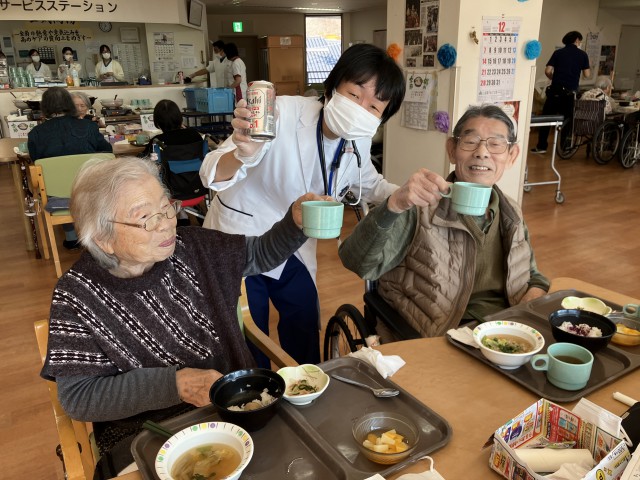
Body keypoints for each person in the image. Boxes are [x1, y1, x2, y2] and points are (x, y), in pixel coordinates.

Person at [39, 155, 321, 477]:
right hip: (147, 433)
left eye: (166, 207)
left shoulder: (194, 246)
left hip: (235, 407)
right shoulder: (77, 295)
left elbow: (259, 254)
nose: (166, 223)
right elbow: (78, 397)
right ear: (103, 239)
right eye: (146, 217)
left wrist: (294, 223)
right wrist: (175, 384)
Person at [199, 43, 406, 366]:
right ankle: (258, 391)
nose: (360, 109)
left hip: (293, 242)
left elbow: (369, 182)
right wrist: (241, 154)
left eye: (374, 106)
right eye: (354, 94)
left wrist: (406, 194)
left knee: (304, 324)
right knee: (247, 337)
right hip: (243, 237)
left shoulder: (359, 139)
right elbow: (210, 172)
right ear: (332, 87)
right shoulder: (281, 112)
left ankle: (307, 387)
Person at [339, 105, 550, 338]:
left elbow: (532, 275)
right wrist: (394, 205)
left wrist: (524, 313)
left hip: (505, 331)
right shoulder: (419, 207)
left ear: (512, 156)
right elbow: (357, 262)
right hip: (441, 335)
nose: (482, 152)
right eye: (470, 141)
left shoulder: (511, 211)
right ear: (452, 149)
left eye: (496, 144)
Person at [28, 87, 112, 249]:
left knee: (61, 186)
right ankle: (98, 234)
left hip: (57, 197)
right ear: (69, 104)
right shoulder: (88, 126)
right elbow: (107, 153)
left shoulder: (36, 134)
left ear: (44, 107)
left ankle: (71, 237)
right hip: (90, 190)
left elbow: (36, 161)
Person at [532, 31, 591, 154]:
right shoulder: (582, 55)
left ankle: (541, 146)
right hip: (569, 94)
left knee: (546, 119)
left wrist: (554, 78)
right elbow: (587, 75)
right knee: (567, 121)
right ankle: (564, 148)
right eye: (580, 41)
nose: (580, 43)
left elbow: (548, 70)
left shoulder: (558, 53)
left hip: (555, 91)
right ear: (576, 40)